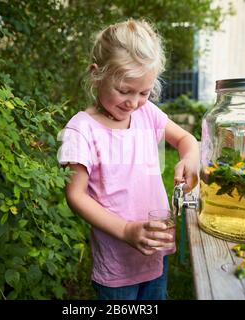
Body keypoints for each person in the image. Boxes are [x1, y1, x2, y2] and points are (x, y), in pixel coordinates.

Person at [57, 19, 199, 300]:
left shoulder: (146, 114)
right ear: (97, 74)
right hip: (117, 265)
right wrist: (125, 230)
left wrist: (191, 158)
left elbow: (186, 140)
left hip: (155, 248)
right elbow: (75, 195)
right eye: (124, 90)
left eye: (144, 93)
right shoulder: (81, 129)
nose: (133, 102)